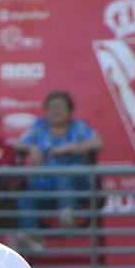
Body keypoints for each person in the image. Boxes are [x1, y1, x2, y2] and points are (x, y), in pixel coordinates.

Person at [16, 91, 104, 238]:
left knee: (64, 174)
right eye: (52, 107)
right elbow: (18, 144)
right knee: (25, 198)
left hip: (76, 186)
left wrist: (70, 148)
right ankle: (33, 239)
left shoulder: (79, 127)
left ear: (70, 110)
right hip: (46, 187)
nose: (56, 111)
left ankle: (67, 215)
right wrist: (31, 147)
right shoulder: (40, 127)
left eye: (60, 107)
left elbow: (99, 143)